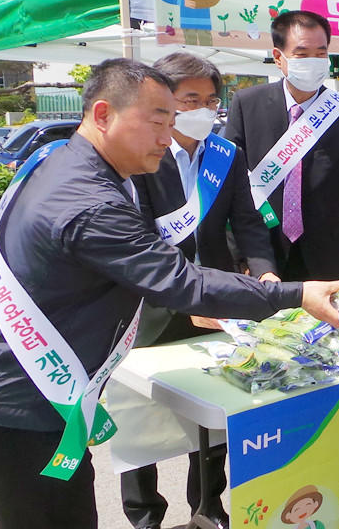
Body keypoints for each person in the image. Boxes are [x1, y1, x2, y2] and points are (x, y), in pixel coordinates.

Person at [0, 58, 339, 529]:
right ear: (103, 115)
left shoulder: (62, 161)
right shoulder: (91, 202)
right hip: (26, 398)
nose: (167, 136)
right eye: (158, 121)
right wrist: (297, 295)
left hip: (31, 387)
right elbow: (182, 282)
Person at [122, 52, 279, 529]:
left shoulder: (226, 154)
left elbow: (248, 223)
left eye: (211, 100)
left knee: (214, 417)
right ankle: (146, 517)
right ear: (164, 101)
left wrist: (264, 272)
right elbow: (139, 238)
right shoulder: (141, 155)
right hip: (150, 305)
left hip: (213, 304)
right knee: (139, 421)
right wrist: (186, 295)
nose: (204, 109)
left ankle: (207, 508)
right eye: (191, 99)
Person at [225, 10, 339, 281]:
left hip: (329, 256)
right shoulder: (247, 104)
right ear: (278, 57)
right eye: (302, 54)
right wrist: (242, 255)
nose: (313, 62)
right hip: (262, 251)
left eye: (320, 53)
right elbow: (231, 182)